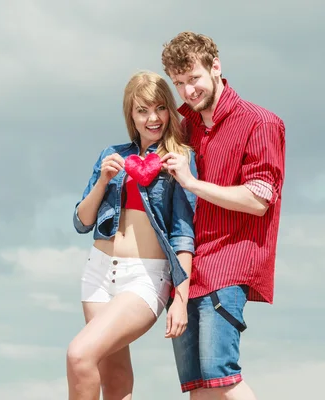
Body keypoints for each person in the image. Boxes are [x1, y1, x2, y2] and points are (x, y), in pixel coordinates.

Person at [160, 32, 286, 399]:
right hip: (188, 269)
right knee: (198, 386)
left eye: (193, 78)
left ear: (216, 67)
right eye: (179, 83)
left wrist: (192, 182)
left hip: (229, 262)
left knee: (221, 375)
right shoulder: (185, 127)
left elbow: (259, 199)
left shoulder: (260, 122)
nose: (187, 91)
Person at [67, 70, 197, 400]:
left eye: (159, 108)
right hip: (97, 273)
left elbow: (183, 235)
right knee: (116, 375)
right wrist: (101, 181)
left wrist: (180, 301)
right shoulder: (113, 155)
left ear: (169, 109)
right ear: (131, 114)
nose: (152, 118)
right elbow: (82, 222)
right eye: (142, 110)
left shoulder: (179, 160)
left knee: (79, 355)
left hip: (144, 277)